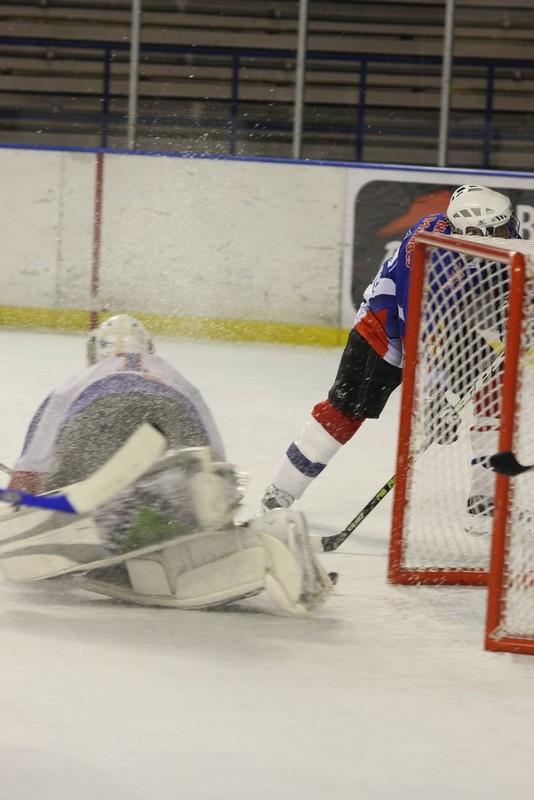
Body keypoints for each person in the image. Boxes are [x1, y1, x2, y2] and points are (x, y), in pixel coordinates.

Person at [3, 314, 334, 616]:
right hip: (170, 415)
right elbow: (213, 464)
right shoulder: (174, 377)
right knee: (179, 504)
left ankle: (110, 529)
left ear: (94, 353)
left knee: (66, 487)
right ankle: (253, 537)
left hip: (99, 415)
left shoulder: (76, 383)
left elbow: (30, 469)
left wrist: (23, 517)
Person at [261, 184, 521, 524]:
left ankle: (486, 499)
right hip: (387, 326)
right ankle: (281, 491)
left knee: (495, 392)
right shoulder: (433, 256)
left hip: (458, 325)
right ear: (473, 232)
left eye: (505, 224)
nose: (508, 232)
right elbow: (423, 334)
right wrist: (432, 399)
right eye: (499, 229)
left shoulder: (486, 237)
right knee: (346, 410)